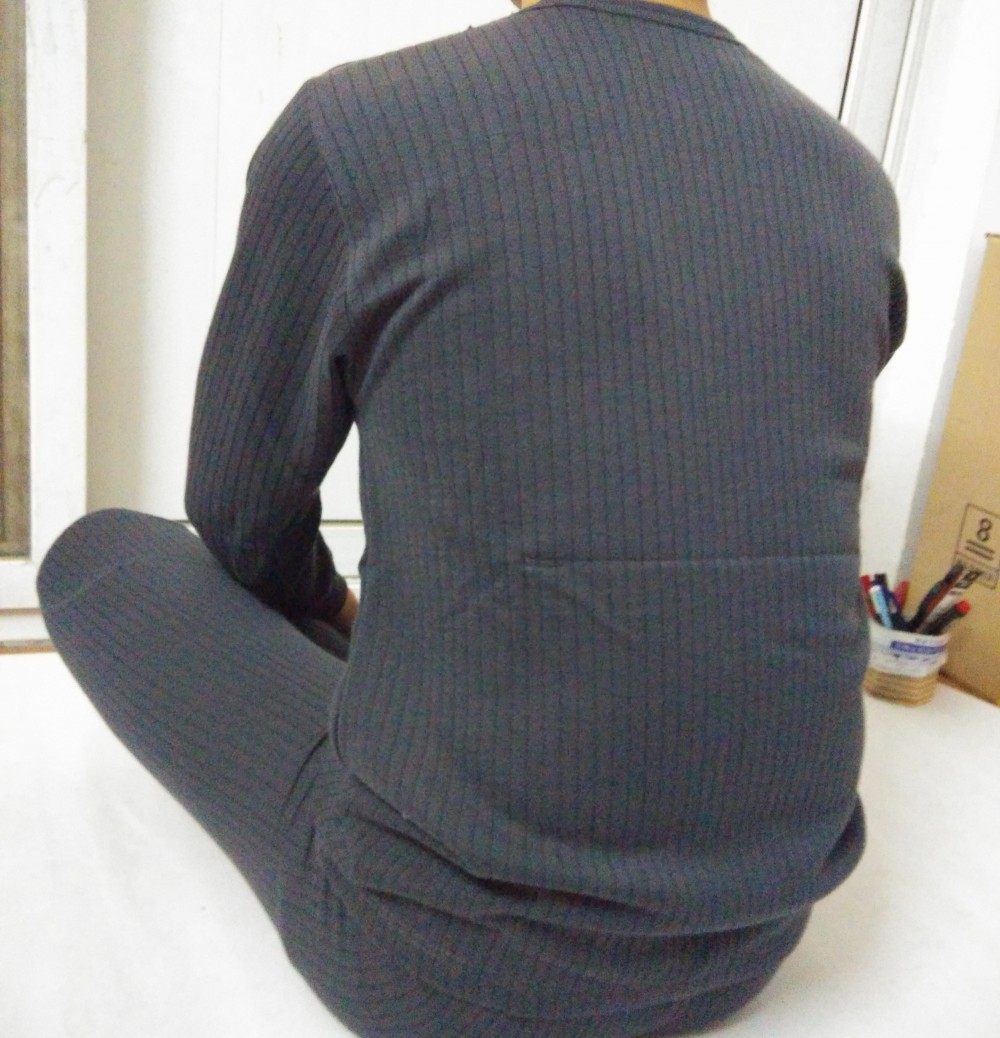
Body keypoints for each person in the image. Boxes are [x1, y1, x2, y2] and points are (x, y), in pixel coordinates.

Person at [35, 0, 907, 1034]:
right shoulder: (852, 180)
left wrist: (338, 614)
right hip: (753, 940)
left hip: (442, 965)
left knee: (99, 554)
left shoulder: (356, 129)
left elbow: (238, 519)